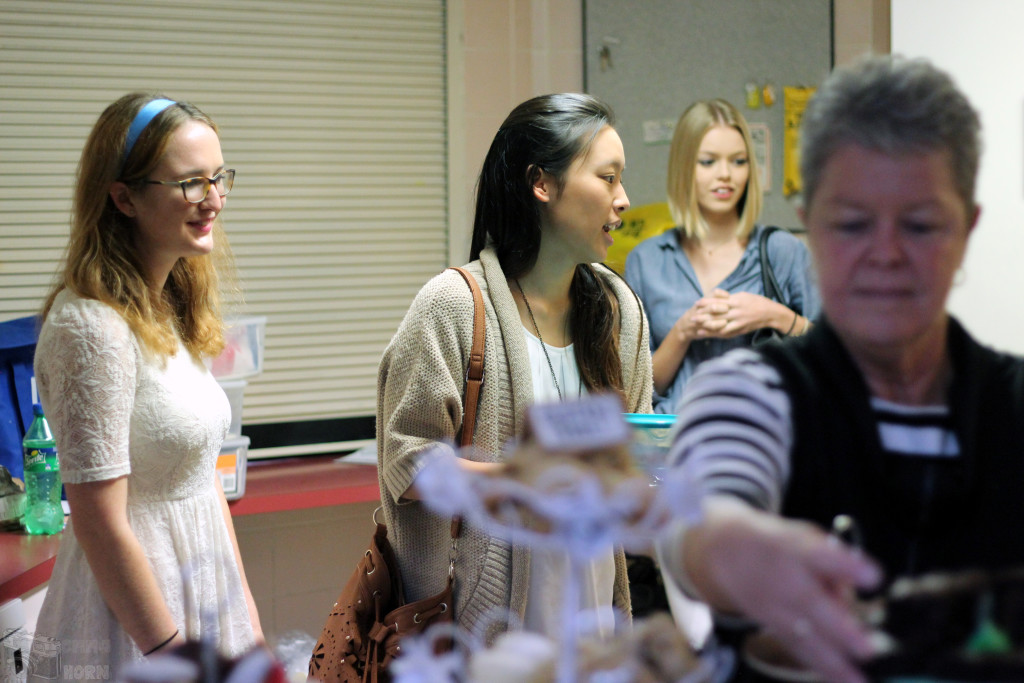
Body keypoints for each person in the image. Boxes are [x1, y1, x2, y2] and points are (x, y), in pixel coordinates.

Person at [657, 55, 1023, 683]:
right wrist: (737, 548)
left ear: (966, 230)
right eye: (853, 223)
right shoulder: (754, 391)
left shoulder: (1013, 404)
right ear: (813, 230)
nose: (885, 254)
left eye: (920, 224)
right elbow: (705, 508)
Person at [377, 93, 653, 641]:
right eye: (607, 178)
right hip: (479, 639)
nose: (624, 200)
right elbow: (406, 464)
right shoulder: (453, 304)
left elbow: (637, 458)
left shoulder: (622, 310)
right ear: (542, 184)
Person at [30, 93, 261, 679]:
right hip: (137, 625)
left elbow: (201, 481)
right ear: (124, 197)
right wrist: (170, 652)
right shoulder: (91, 324)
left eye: (218, 177)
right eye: (190, 183)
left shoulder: (168, 310)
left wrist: (247, 631)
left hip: (204, 599)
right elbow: (99, 521)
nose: (214, 200)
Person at [624, 99, 820, 413]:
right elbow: (638, 391)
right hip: (673, 447)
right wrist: (683, 331)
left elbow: (838, 359)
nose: (726, 174)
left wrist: (775, 316)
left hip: (767, 441)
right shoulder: (645, 262)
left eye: (739, 161)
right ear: (684, 167)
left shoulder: (783, 251)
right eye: (708, 162)